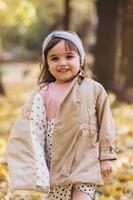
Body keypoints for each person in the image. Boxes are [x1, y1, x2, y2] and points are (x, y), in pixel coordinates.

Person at [7, 31, 117, 200]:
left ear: (80, 59)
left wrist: (106, 157)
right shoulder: (43, 94)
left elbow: (106, 124)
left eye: (69, 56)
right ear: (47, 63)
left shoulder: (94, 90)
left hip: (85, 161)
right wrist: (35, 166)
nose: (62, 63)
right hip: (56, 163)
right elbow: (32, 128)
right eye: (54, 58)